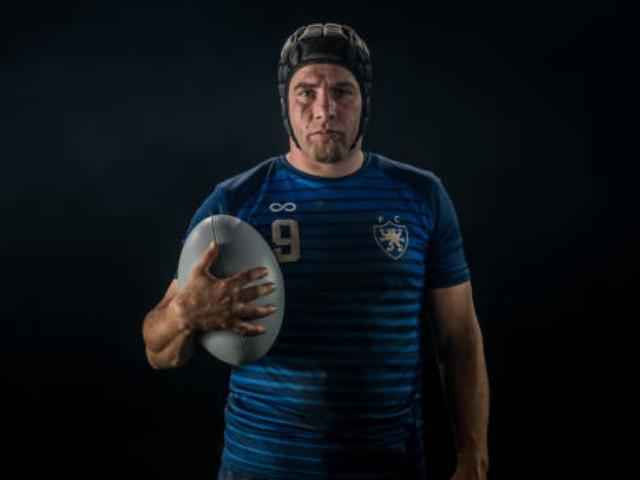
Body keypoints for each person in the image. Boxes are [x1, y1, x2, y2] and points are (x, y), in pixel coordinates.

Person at [142, 23, 489, 480]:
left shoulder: (420, 195)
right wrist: (186, 314)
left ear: (364, 102)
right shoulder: (235, 202)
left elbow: (459, 337)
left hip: (388, 467)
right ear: (285, 106)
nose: (324, 110)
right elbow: (158, 351)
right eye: (306, 93)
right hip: (262, 468)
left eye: (342, 91)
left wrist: (474, 457)